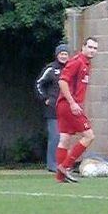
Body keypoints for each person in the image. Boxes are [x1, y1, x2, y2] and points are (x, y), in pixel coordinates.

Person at [55, 37, 99, 183]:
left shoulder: (86, 63)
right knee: (89, 136)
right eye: (90, 47)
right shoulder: (77, 61)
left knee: (65, 139)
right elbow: (62, 81)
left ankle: (60, 177)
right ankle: (66, 167)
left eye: (95, 48)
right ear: (83, 46)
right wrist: (73, 103)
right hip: (69, 105)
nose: (92, 51)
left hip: (65, 105)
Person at [36, 43, 69, 172]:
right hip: (53, 109)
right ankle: (52, 164)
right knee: (55, 136)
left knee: (65, 137)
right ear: (57, 55)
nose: (63, 56)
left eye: (66, 54)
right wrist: (45, 98)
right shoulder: (51, 69)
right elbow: (39, 84)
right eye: (61, 54)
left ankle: (63, 163)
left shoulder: (70, 68)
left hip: (66, 108)